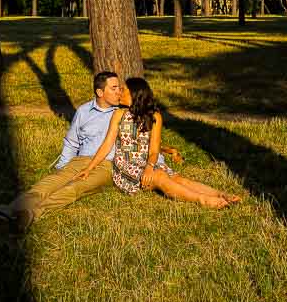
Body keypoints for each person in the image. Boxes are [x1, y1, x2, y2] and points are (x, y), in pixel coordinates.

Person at [0, 70, 129, 230]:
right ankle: (6, 211)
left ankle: (28, 215)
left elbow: (141, 142)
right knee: (47, 184)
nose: (119, 92)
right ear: (100, 92)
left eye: (119, 88)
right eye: (114, 88)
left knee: (74, 188)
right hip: (81, 160)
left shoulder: (125, 113)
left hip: (106, 165)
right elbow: (72, 141)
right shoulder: (84, 111)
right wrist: (62, 167)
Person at [75, 77, 240, 209]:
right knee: (160, 177)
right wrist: (89, 168)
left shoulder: (155, 117)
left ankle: (220, 194)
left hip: (147, 162)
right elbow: (107, 144)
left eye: (123, 90)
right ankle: (202, 200)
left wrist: (149, 166)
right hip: (126, 165)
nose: (119, 93)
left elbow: (154, 151)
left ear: (134, 94)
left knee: (179, 179)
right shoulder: (119, 114)